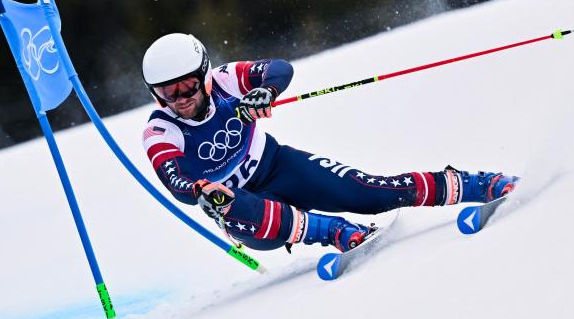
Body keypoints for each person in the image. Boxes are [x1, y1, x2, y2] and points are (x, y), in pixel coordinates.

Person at [141, 33, 518, 252]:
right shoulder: (160, 130)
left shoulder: (225, 80)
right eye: (167, 92)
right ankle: (333, 232)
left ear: (204, 74)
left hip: (279, 166)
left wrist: (265, 92)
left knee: (370, 194)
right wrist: (201, 190)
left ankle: (477, 184)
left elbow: (279, 69)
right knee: (226, 200)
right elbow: (176, 183)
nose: (180, 98)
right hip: (245, 214)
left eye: (187, 85)